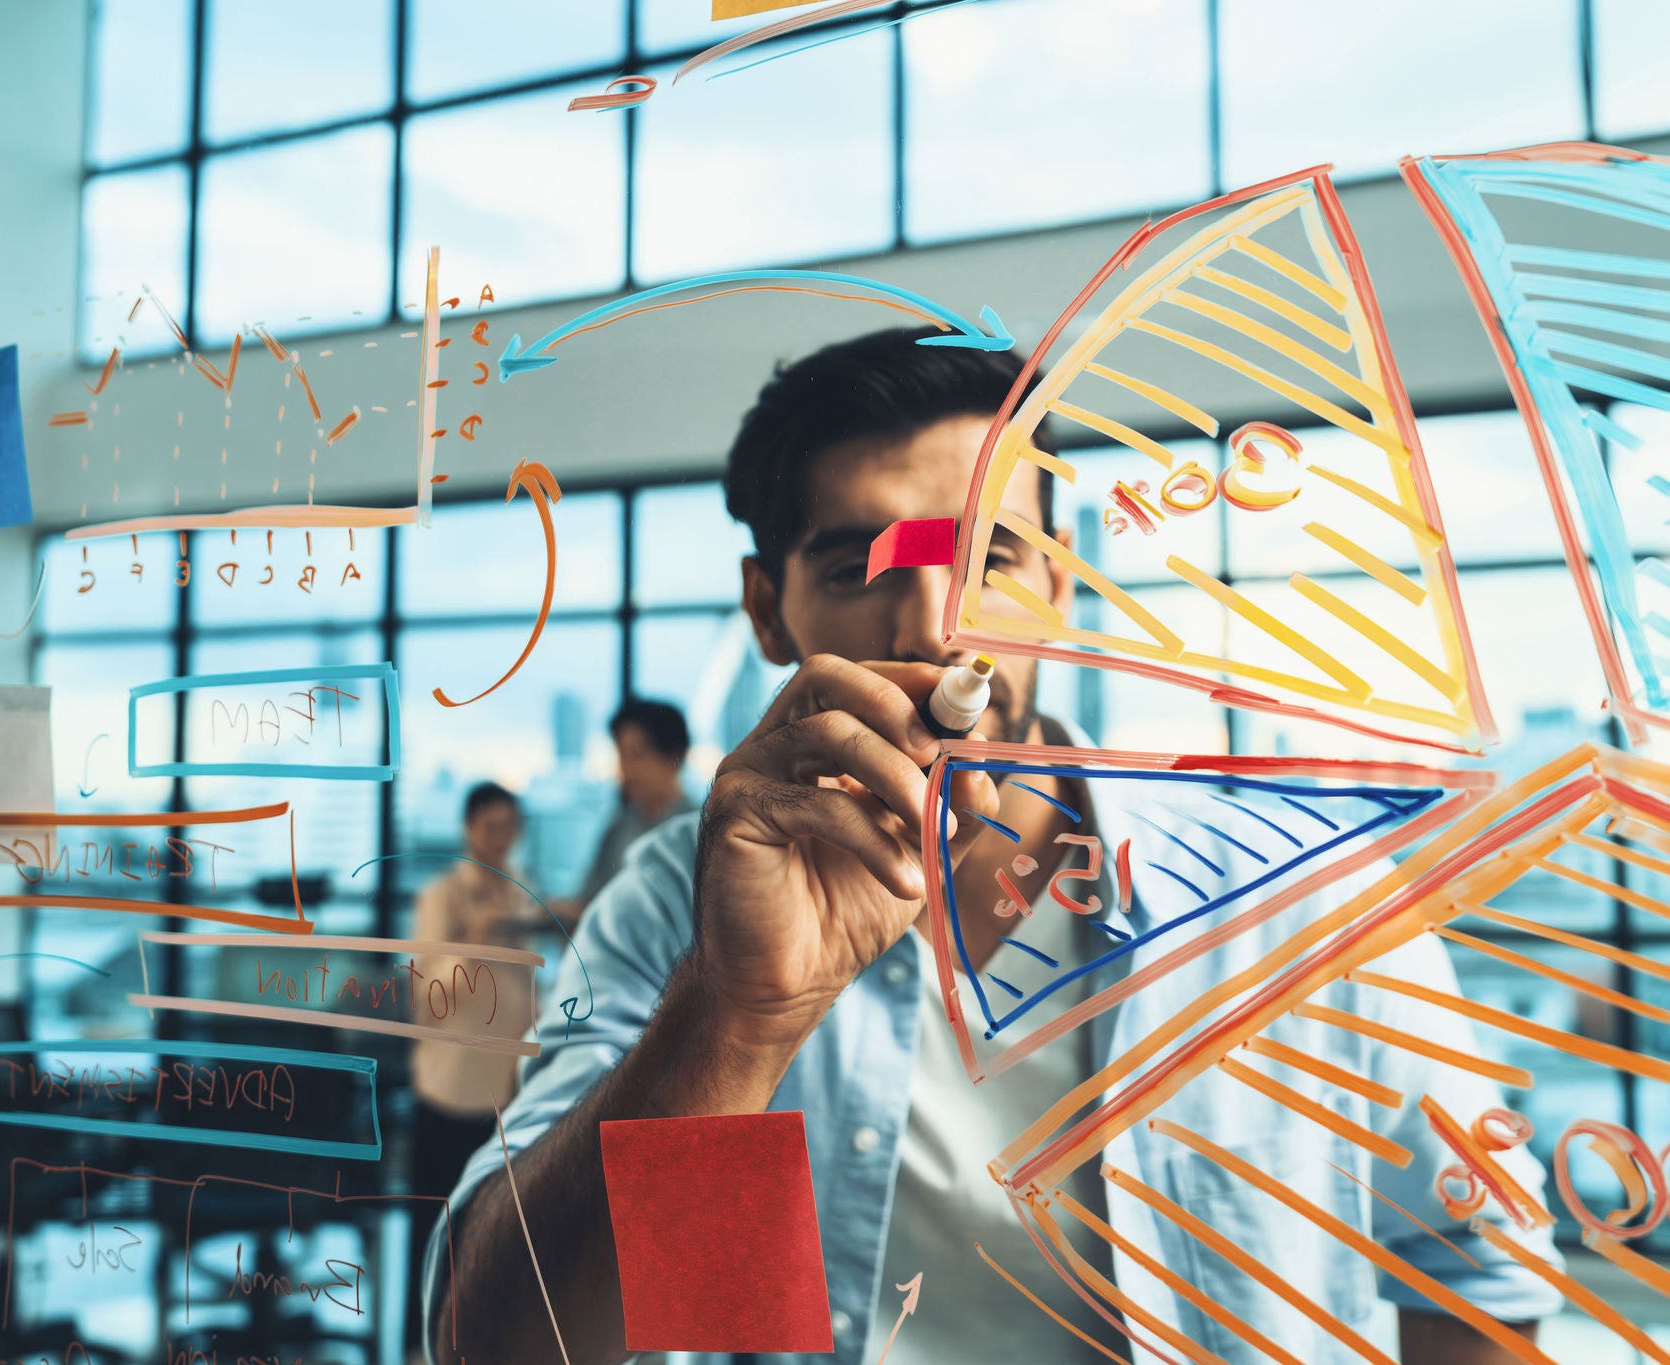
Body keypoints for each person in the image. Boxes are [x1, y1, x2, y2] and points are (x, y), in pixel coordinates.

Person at [426, 330, 1562, 1364]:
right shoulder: (674, 909)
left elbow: (1471, 1280)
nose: (926, 628)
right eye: (856, 567)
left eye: (990, 561)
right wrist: (735, 1018)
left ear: (1057, 592)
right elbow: (505, 1346)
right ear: (768, 612)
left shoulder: (1291, 895)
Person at [408, 780, 548, 1353]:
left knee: (495, 1234)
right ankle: (421, 1346)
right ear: (469, 831)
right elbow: (426, 996)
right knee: (436, 1235)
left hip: (505, 1093)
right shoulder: (441, 898)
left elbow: (528, 990)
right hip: (449, 1089)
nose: (500, 840)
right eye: (491, 828)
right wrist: (475, 939)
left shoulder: (523, 894)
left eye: (510, 829)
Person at [570, 698, 697, 917]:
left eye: (636, 755)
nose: (625, 769)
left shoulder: (700, 832)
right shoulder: (618, 827)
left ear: (674, 756)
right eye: (621, 755)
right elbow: (588, 901)